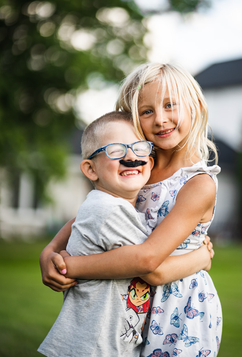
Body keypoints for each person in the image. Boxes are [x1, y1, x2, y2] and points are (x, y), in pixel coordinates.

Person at [40, 62, 222, 356]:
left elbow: (150, 262)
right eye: (147, 111)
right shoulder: (140, 166)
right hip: (133, 302)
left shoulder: (198, 184)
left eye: (170, 106)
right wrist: (48, 252)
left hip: (180, 307)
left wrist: (68, 266)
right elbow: (92, 212)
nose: (160, 119)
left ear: (196, 107)